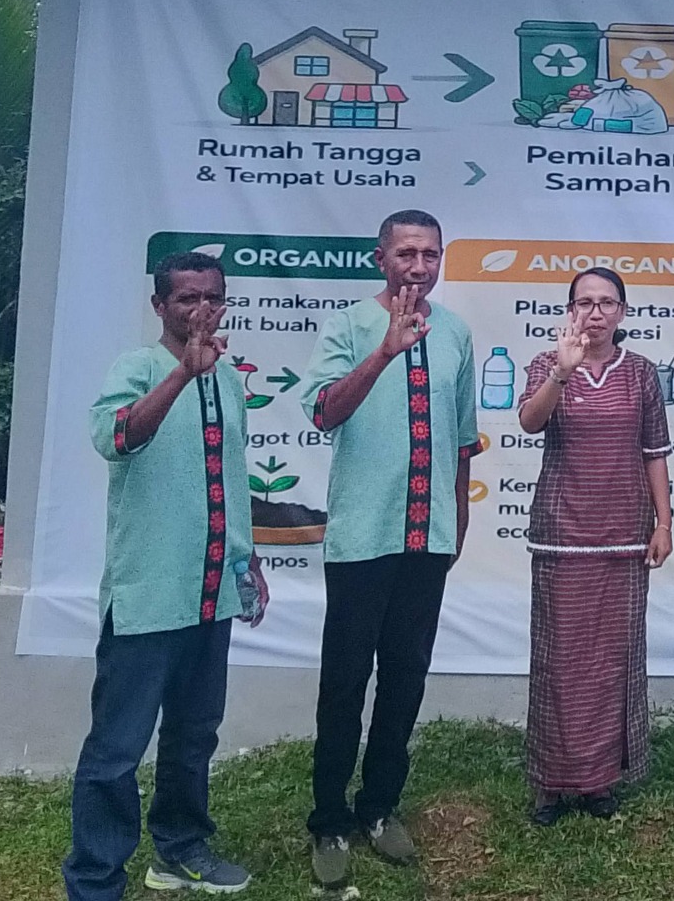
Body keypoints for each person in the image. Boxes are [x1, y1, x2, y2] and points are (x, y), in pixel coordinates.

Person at [66, 252, 265, 900]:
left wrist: (246, 562)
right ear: (160, 306)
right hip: (147, 597)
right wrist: (183, 373)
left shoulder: (229, 378)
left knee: (192, 737)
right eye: (187, 298)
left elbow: (231, 478)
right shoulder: (138, 368)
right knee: (116, 749)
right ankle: (95, 880)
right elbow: (116, 438)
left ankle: (179, 850)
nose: (203, 309)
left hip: (209, 595)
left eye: (213, 297)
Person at [301, 210, 481, 888]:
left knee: (405, 676)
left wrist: (457, 516)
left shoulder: (456, 333)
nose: (419, 266)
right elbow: (323, 411)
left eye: (430, 254)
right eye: (406, 253)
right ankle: (328, 818)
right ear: (380, 259)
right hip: (363, 538)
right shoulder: (348, 327)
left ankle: (379, 806)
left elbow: (462, 437)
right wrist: (383, 351)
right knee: (344, 682)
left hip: (426, 537)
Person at [518, 268, 673, 824]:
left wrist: (664, 522)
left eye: (608, 302)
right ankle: (551, 784)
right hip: (562, 536)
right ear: (570, 311)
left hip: (624, 536)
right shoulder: (548, 362)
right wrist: (562, 372)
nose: (596, 312)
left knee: (611, 660)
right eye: (585, 302)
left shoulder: (641, 373)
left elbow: (655, 451)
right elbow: (529, 422)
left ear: (623, 312)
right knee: (559, 660)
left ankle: (600, 781)